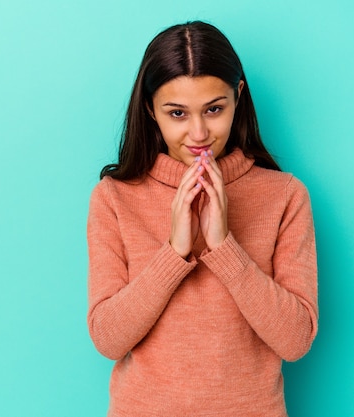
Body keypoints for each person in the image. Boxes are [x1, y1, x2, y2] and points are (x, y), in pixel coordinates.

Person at [86, 21, 318, 416]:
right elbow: (108, 339)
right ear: (150, 109)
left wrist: (225, 248)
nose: (198, 133)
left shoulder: (286, 195)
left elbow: (295, 341)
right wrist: (174, 253)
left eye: (214, 109)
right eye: (177, 113)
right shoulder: (115, 198)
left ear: (238, 97)